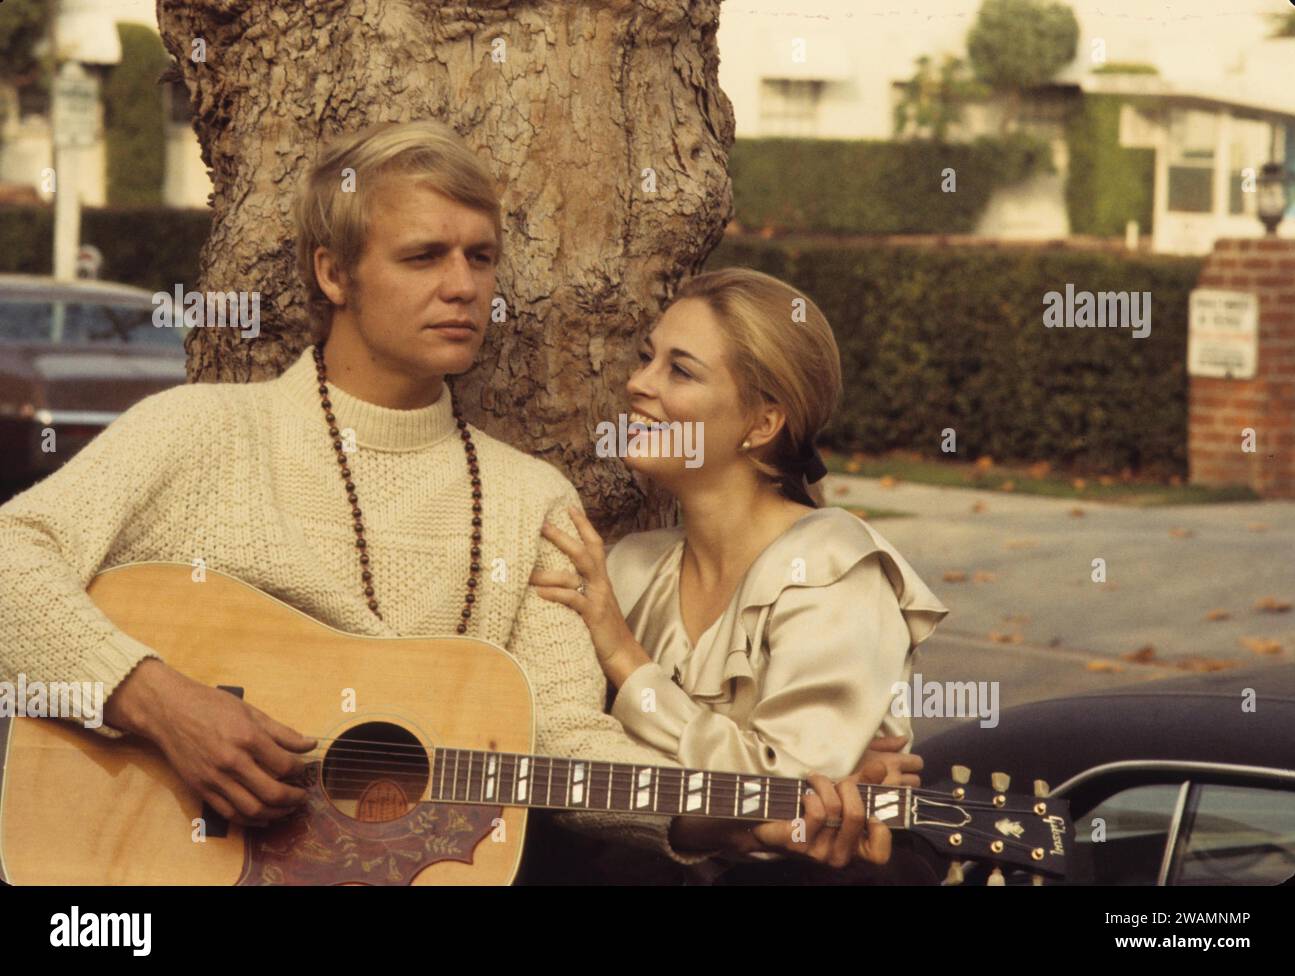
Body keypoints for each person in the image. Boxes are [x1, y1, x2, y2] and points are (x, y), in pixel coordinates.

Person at [0, 121, 890, 881]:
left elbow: (566, 741)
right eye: (423, 256)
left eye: (480, 256)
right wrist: (159, 702)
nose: (463, 284)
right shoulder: (198, 434)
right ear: (335, 274)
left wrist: (727, 818)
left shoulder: (529, 500)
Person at [530, 267, 950, 881]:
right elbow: (575, 761)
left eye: (680, 369)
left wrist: (625, 657)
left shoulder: (834, 564)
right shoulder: (630, 566)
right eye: (647, 358)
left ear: (761, 423)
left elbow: (785, 797)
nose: (636, 384)